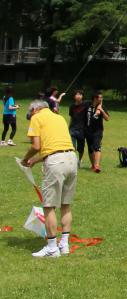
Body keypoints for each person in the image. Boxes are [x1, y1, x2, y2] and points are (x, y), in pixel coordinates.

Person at [21, 98, 78, 259]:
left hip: (55, 163)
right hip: (71, 159)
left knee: (49, 206)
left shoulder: (36, 117)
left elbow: (36, 146)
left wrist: (26, 159)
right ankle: (64, 244)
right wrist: (34, 161)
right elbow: (54, 146)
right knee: (65, 204)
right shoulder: (58, 117)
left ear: (34, 110)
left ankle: (52, 247)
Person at [85, 91, 110, 173]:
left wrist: (101, 110)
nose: (101, 99)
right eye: (100, 97)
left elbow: (107, 119)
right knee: (90, 149)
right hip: (88, 130)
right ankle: (93, 165)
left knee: (97, 147)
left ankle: (97, 166)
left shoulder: (101, 107)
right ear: (95, 98)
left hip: (98, 131)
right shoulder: (87, 105)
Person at [67, 90, 89, 166]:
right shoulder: (72, 106)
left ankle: (80, 160)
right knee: (72, 147)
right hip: (72, 129)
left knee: (81, 147)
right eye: (77, 94)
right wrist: (68, 127)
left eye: (80, 94)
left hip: (82, 129)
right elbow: (71, 118)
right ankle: (73, 161)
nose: (78, 96)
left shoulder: (86, 105)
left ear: (82, 96)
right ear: (74, 96)